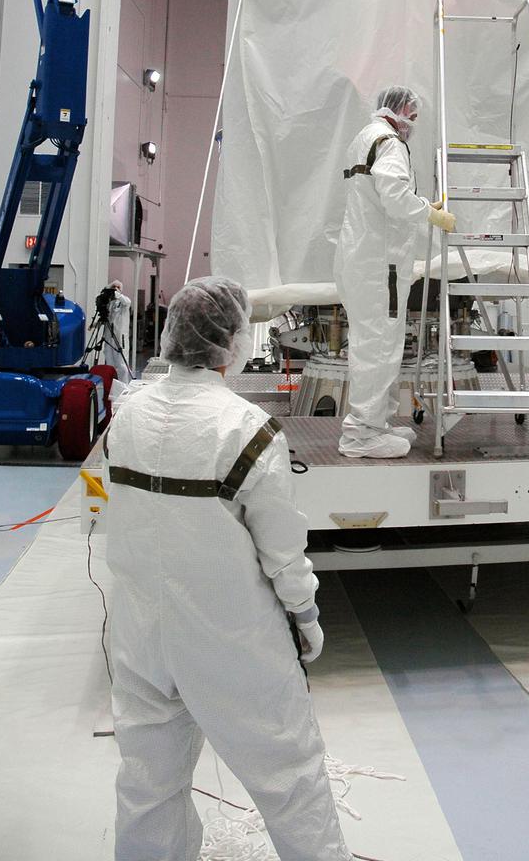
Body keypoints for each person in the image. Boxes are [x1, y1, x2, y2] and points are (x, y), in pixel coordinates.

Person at [104, 276, 352, 861]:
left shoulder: (126, 417)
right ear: (233, 342)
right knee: (289, 777)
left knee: (148, 783)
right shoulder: (245, 428)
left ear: (172, 337)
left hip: (141, 634)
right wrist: (305, 615)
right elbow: (282, 548)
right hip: (230, 637)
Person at [334, 87, 456, 459]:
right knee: (378, 347)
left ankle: (378, 423)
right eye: (413, 117)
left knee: (378, 343)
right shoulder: (389, 142)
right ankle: (361, 435)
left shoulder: (365, 137)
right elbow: (395, 198)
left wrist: (419, 205)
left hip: (363, 257)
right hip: (379, 264)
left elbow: (378, 193)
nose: (413, 125)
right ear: (400, 110)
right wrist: (429, 212)